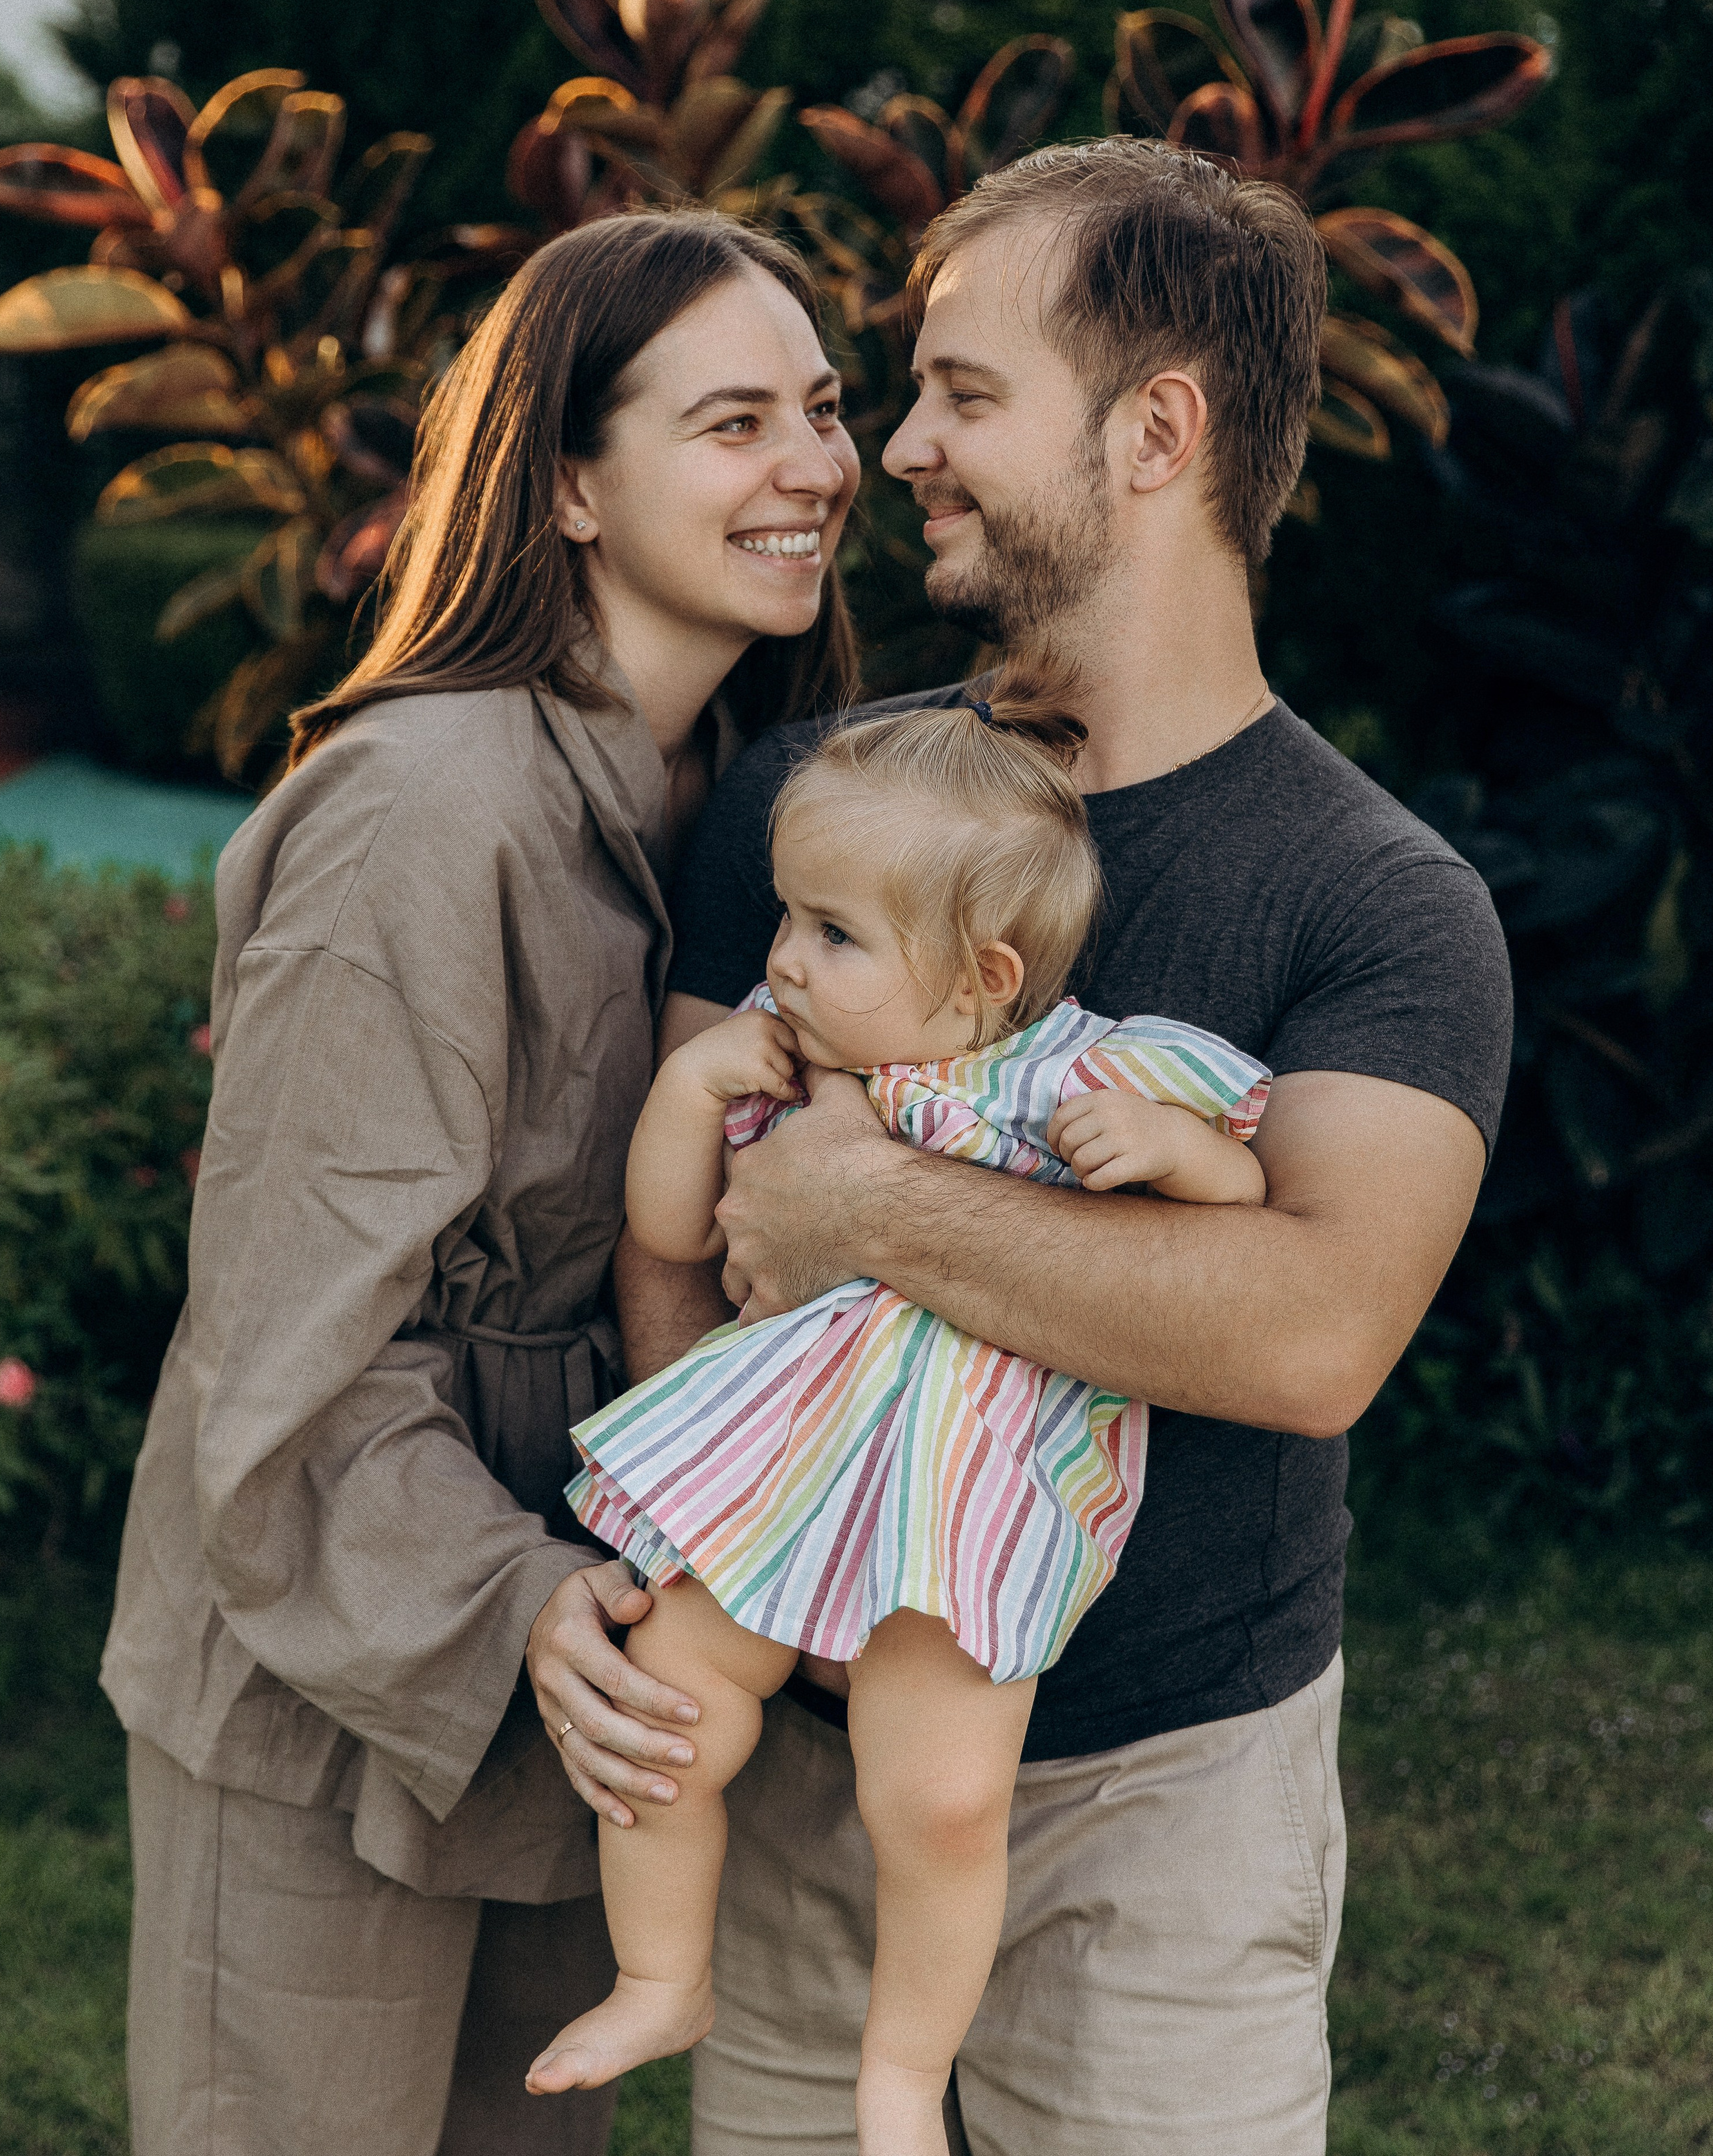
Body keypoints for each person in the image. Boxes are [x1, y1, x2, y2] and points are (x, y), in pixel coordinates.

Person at [565, 140, 1516, 2155]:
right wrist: (720, 1549)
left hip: (1164, 1809)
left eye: (961, 395)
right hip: (815, 1777)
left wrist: (873, 1203)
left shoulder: (1376, 902)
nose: (892, 447)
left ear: (1158, 430)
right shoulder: (819, 811)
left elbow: (1309, 1331)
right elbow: (686, 1243)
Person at [97, 206, 860, 2156]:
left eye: (829, 409)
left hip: (570, 1629)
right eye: (734, 423)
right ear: (572, 486)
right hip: (335, 1630)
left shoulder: (745, 798)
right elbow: (287, 1349)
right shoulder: (425, 812)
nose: (817, 467)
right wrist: (515, 1594)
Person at [529, 682, 1271, 2155]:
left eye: (831, 933)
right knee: (670, 1704)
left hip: (967, 1496)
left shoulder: (1081, 1070)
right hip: (789, 1472)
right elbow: (668, 1229)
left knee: (935, 1800)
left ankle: (897, 2073)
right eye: (788, 918)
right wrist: (689, 1086)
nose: (781, 959)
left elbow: (1248, 1213)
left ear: (984, 971)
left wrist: (1179, 1153)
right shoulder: (781, 1053)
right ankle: (662, 1974)